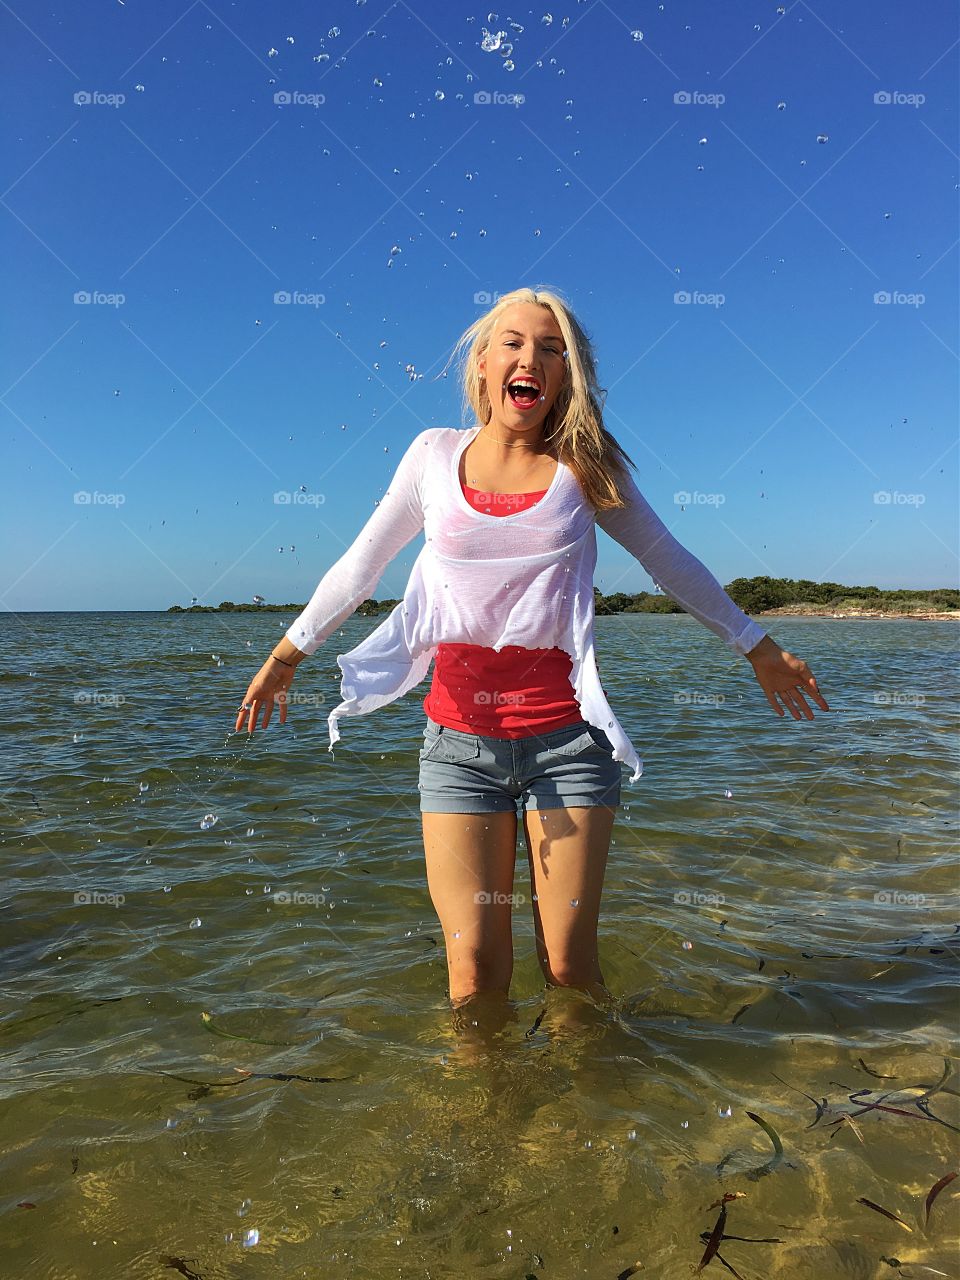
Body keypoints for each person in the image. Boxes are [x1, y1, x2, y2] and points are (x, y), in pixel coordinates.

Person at [234, 286, 829, 1021]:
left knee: (568, 967)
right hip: (458, 747)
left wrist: (757, 646)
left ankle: (578, 1121)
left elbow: (666, 560)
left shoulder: (586, 466)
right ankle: (488, 1124)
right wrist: (288, 654)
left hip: (569, 746)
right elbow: (362, 565)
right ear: (483, 364)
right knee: (475, 972)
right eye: (514, 343)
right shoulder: (432, 456)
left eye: (553, 350)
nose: (532, 359)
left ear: (567, 376)